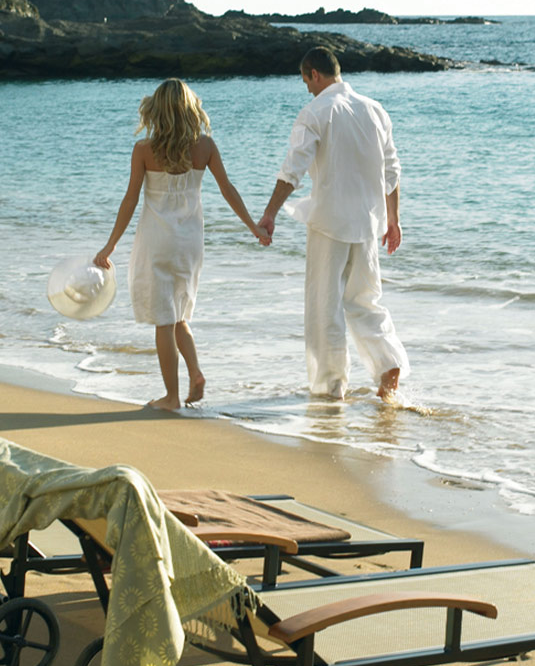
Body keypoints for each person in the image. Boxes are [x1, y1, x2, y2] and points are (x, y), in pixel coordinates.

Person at [94, 79, 268, 410]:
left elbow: (130, 199)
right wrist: (253, 227)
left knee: (164, 319)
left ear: (156, 110)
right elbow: (228, 189)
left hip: (157, 242)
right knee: (179, 316)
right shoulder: (205, 147)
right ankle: (196, 372)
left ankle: (171, 397)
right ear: (191, 109)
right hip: (190, 243)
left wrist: (110, 245)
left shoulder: (145, 150)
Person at [259, 47, 411, 402]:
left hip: (329, 223)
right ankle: (388, 365)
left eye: (306, 81)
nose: (307, 89)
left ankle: (331, 388)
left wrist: (270, 213)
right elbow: (392, 171)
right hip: (369, 224)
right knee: (365, 301)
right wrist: (393, 220)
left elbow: (293, 169)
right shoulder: (375, 110)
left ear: (314, 74)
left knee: (324, 308)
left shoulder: (316, 111)